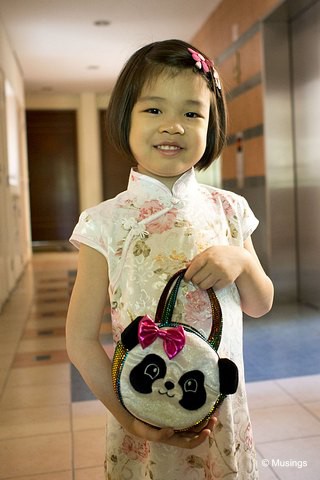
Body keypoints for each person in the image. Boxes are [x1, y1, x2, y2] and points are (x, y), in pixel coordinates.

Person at [66, 39, 274, 480]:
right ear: (126, 117)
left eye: (192, 113)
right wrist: (130, 419)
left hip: (221, 410)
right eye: (155, 110)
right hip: (142, 411)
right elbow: (80, 338)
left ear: (211, 125)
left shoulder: (230, 210)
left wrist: (243, 261)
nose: (174, 126)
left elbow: (260, 304)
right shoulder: (103, 223)